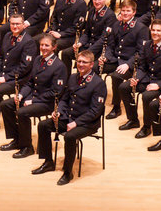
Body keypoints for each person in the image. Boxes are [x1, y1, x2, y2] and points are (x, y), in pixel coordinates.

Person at [32, 50, 107, 185]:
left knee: (70, 136)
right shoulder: (72, 77)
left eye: (84, 62)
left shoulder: (98, 83)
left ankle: (68, 172)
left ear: (91, 65)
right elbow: (64, 99)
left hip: (87, 123)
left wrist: (76, 123)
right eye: (79, 61)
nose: (81, 64)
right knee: (43, 125)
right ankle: (48, 161)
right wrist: (59, 112)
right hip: (68, 118)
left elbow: (95, 111)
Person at [0, 34, 67, 159]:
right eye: (42, 45)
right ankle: (17, 139)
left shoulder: (59, 66)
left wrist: (33, 100)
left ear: (54, 47)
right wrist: (20, 95)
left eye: (47, 45)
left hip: (47, 102)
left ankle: (27, 147)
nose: (43, 48)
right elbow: (30, 82)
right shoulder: (37, 59)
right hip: (33, 97)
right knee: (6, 105)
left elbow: (56, 92)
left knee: (22, 112)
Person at [118, 19, 161, 134]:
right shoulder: (147, 45)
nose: (155, 33)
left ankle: (147, 127)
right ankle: (133, 119)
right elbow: (143, 67)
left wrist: (159, 85)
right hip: (147, 79)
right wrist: (137, 78)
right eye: (153, 30)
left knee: (146, 96)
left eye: (158, 30)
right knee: (124, 87)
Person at [102, 0, 148, 120]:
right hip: (115, 59)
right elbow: (110, 45)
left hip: (130, 63)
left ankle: (116, 107)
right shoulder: (116, 24)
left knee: (116, 77)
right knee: (94, 66)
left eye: (128, 11)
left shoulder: (141, 28)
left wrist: (128, 64)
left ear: (134, 12)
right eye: (123, 10)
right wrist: (106, 56)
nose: (125, 13)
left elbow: (141, 52)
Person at [50, 0, 88, 67]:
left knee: (54, 45)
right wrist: (53, 30)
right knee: (40, 40)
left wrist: (61, 34)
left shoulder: (81, 3)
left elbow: (77, 27)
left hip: (70, 36)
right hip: (57, 32)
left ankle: (56, 71)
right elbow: (54, 17)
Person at [77, 0, 117, 71]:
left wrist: (88, 52)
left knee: (88, 64)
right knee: (67, 53)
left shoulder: (110, 15)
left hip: (99, 49)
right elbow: (87, 33)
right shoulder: (91, 11)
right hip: (88, 45)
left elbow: (104, 39)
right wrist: (80, 43)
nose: (97, 2)